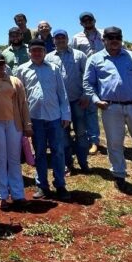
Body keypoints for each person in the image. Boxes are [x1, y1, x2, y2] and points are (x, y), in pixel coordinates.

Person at [83, 26, 132, 192]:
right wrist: (96, 100)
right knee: (115, 144)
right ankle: (119, 176)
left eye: (117, 37)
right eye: (110, 37)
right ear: (104, 40)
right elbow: (88, 83)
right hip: (110, 108)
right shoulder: (95, 59)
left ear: (121, 38)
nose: (114, 40)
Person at [16, 39, 71, 200]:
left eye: (40, 50)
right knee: (39, 153)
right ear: (29, 52)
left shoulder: (54, 68)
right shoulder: (22, 70)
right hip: (35, 118)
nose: (37, 53)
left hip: (54, 117)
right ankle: (42, 186)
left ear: (44, 52)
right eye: (34, 50)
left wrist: (66, 114)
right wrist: (23, 120)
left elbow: (62, 93)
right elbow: (20, 97)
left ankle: (60, 185)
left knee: (58, 152)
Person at [0, 53, 32, 209]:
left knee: (14, 158)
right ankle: (1, 194)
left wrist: (27, 124)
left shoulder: (14, 81)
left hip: (13, 123)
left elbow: (23, 104)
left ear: (5, 65)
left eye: (0, 64)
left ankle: (18, 194)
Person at [45, 29, 90, 174]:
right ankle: (68, 164)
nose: (60, 40)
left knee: (81, 133)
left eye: (62, 38)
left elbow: (88, 77)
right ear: (53, 40)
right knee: (63, 135)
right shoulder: (48, 58)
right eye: (57, 38)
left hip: (77, 100)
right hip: (58, 103)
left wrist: (86, 94)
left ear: (67, 39)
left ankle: (83, 162)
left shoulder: (79, 55)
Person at [71, 11, 105, 155]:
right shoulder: (76, 38)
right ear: (81, 23)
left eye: (89, 20)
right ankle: (90, 140)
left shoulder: (104, 34)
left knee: (106, 109)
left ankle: (98, 139)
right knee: (88, 109)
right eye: (84, 21)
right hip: (85, 77)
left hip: (104, 76)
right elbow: (72, 57)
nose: (87, 22)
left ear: (94, 20)